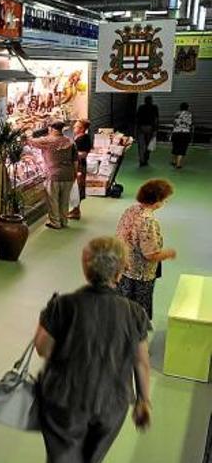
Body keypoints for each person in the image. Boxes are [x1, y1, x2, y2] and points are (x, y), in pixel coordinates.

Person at [34, 236, 152, 463]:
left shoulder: (63, 305)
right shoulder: (134, 313)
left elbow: (42, 348)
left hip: (65, 399)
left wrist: (50, 322)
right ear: (120, 272)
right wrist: (143, 401)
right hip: (112, 402)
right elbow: (141, 362)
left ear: (86, 268)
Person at [115, 179, 177, 321]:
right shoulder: (148, 221)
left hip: (124, 267)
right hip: (140, 274)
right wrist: (168, 253)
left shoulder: (131, 210)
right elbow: (150, 254)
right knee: (138, 311)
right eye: (165, 199)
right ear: (157, 201)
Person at [27, 121, 78, 230]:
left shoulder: (47, 140)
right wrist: (74, 175)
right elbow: (75, 161)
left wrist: (27, 132)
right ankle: (64, 220)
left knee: (53, 199)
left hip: (53, 174)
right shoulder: (70, 141)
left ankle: (55, 222)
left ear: (51, 129)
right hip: (68, 174)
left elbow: (29, 141)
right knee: (65, 200)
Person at [68, 119, 92, 220]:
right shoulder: (78, 137)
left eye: (76, 126)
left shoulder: (84, 139)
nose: (74, 128)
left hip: (80, 166)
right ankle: (75, 209)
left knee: (78, 186)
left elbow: (84, 154)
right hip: (77, 164)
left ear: (82, 128)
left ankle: (76, 210)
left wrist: (70, 155)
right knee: (75, 187)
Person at [135, 96, 159, 167]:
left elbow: (137, 118)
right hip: (150, 128)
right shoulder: (154, 107)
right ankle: (146, 158)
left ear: (144, 101)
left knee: (141, 145)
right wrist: (155, 129)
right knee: (149, 144)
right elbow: (156, 119)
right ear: (151, 101)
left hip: (141, 128)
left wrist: (136, 129)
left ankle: (141, 160)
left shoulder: (141, 107)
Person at [170, 103, 193, 169]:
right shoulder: (189, 114)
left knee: (175, 146)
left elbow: (174, 123)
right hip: (185, 133)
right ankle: (178, 164)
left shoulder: (176, 113)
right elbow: (190, 123)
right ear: (187, 107)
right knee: (182, 148)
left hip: (176, 132)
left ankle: (174, 161)